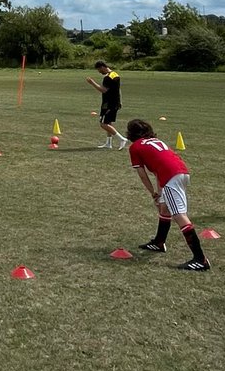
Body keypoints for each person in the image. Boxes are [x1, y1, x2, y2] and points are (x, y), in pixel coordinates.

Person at [126, 119, 210, 271]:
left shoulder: (135, 147)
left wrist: (153, 193)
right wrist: (159, 194)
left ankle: (200, 259)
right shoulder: (155, 141)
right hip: (181, 172)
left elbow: (143, 175)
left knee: (179, 215)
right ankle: (159, 242)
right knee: (165, 209)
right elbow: (160, 167)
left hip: (172, 176)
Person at [85, 60, 127, 149]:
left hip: (109, 103)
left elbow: (103, 90)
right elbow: (118, 89)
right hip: (115, 102)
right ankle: (109, 143)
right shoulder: (115, 74)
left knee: (103, 124)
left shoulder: (108, 78)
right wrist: (120, 101)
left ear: (102, 67)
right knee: (109, 122)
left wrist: (92, 83)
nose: (99, 72)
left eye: (99, 70)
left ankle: (122, 139)